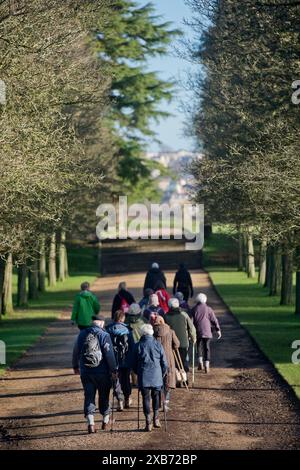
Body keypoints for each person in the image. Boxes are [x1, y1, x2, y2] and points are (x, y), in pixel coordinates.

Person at [72, 314, 118, 433]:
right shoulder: (104, 335)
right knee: (104, 396)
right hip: (102, 372)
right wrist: (113, 370)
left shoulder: (82, 334)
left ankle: (91, 424)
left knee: (89, 396)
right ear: (102, 323)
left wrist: (75, 366)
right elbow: (109, 355)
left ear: (92, 322)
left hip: (86, 371)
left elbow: (76, 350)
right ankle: (105, 421)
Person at [132, 324, 168, 432]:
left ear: (143, 333)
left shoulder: (138, 345)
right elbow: (164, 363)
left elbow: (133, 363)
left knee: (146, 398)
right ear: (152, 332)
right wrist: (162, 373)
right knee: (156, 396)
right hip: (157, 375)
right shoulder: (158, 344)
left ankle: (148, 422)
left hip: (144, 376)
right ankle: (156, 418)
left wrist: (137, 372)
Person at [106, 310, 135, 410]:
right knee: (126, 379)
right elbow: (132, 346)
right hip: (125, 359)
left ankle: (119, 400)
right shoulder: (128, 330)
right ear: (122, 318)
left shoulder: (108, 329)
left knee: (116, 380)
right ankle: (127, 398)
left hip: (113, 359)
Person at [151, 315, 180, 411]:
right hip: (168, 359)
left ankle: (158, 402)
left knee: (158, 381)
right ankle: (165, 403)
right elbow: (177, 344)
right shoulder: (171, 332)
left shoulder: (152, 333)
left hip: (156, 359)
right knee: (168, 381)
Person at [165, 298, 196, 379]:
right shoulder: (184, 314)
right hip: (183, 343)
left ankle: (177, 378)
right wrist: (194, 338)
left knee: (174, 362)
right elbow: (191, 328)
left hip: (171, 343)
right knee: (183, 361)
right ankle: (184, 378)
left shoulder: (165, 316)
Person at [191, 293, 221, 373]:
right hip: (207, 331)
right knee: (207, 348)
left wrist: (190, 332)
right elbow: (214, 320)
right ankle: (207, 365)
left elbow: (191, 322)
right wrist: (218, 330)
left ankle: (200, 362)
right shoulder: (209, 309)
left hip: (198, 331)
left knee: (199, 347)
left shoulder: (194, 309)